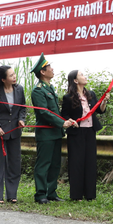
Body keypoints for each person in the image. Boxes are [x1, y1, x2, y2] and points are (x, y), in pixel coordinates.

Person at [31, 53, 77, 204]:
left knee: (55, 164)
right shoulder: (38, 90)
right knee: (43, 164)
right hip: (46, 134)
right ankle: (41, 194)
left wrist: (65, 121)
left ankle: (51, 192)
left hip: (56, 133)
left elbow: (55, 112)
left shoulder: (50, 88)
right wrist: (61, 123)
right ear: (42, 72)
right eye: (49, 67)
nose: (52, 69)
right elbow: (43, 112)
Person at [61, 70, 109, 201]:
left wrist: (104, 101)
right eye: (81, 75)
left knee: (90, 162)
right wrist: (71, 122)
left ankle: (90, 195)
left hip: (90, 132)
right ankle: (76, 195)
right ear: (75, 81)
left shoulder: (91, 94)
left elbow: (100, 110)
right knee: (76, 163)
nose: (84, 76)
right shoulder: (68, 98)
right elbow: (64, 116)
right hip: (76, 133)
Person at [0, 65, 26, 204]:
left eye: (14, 74)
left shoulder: (19, 89)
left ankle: (12, 195)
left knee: (14, 163)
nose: (14, 77)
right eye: (11, 75)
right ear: (3, 79)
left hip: (15, 131)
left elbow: (22, 108)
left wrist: (21, 119)